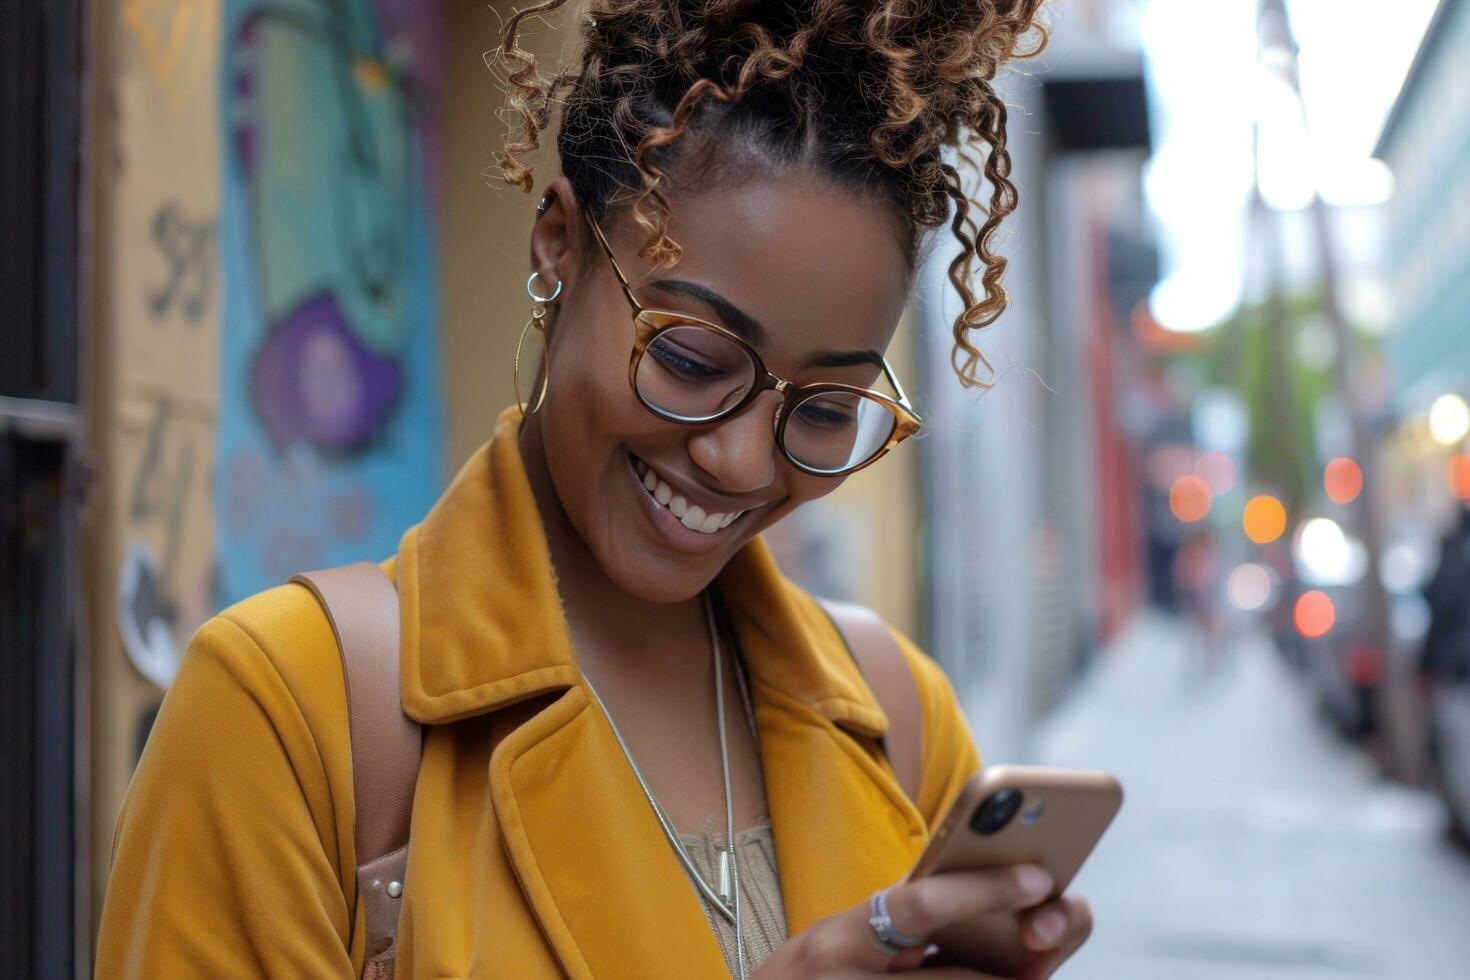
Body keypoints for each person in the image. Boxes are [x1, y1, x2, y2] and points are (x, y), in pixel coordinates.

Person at [95, 1, 1094, 976]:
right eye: (694, 358)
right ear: (559, 245)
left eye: (826, 409)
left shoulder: (896, 716)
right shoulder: (288, 706)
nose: (744, 463)